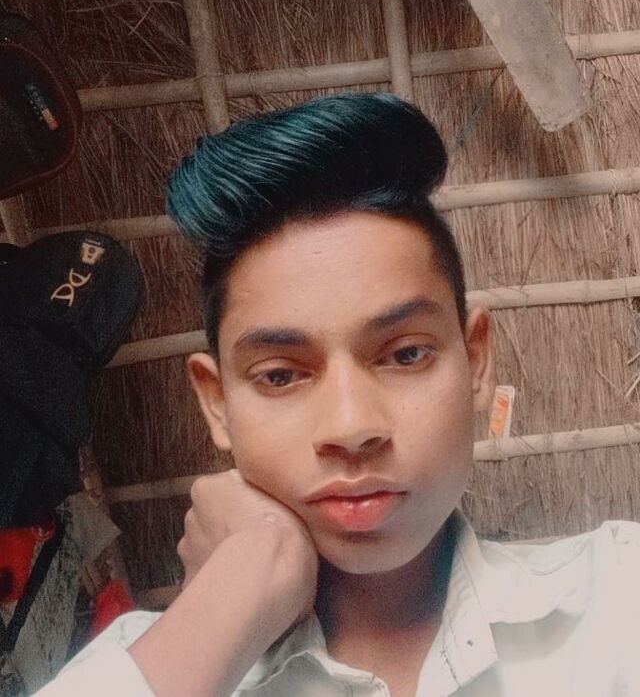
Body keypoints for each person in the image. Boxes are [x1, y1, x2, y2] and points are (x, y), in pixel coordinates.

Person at [35, 93, 640, 696]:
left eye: (405, 354)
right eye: (280, 375)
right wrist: (250, 571)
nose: (352, 428)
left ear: (475, 359)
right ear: (216, 401)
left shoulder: (617, 599)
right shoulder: (149, 665)